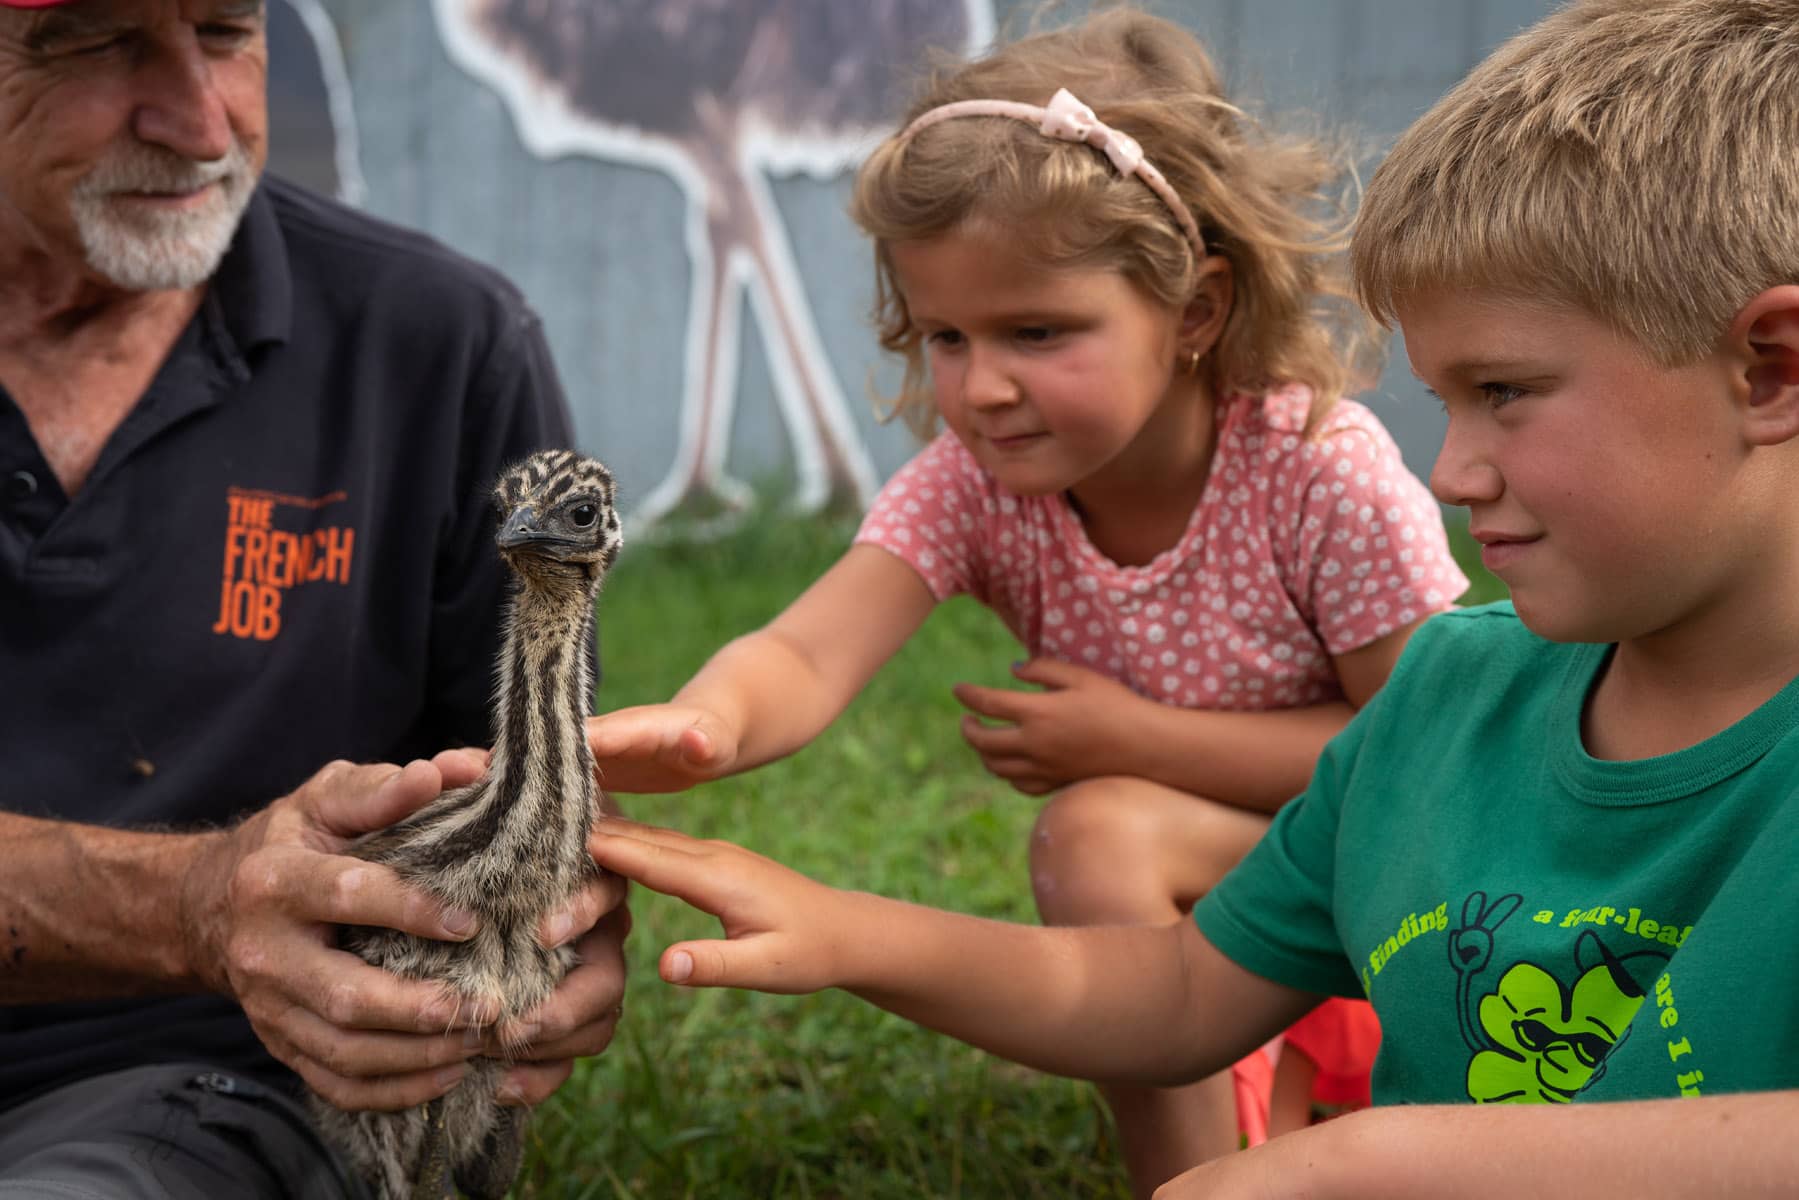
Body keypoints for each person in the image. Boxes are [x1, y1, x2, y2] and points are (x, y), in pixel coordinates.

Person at [586, 0, 1799, 1194]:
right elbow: (1172, 989)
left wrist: (1373, 1159)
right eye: (941, 338)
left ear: (1769, 370)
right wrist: (831, 915)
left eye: (1506, 391)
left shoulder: (1320, 478)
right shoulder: (1452, 697)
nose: (1448, 473)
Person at [0, 2, 626, 1195]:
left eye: (229, 28)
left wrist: (557, 923)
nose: (201, 121)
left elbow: (525, 812)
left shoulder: (437, 347)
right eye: (92, 40)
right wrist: (192, 900)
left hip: (200, 1093)